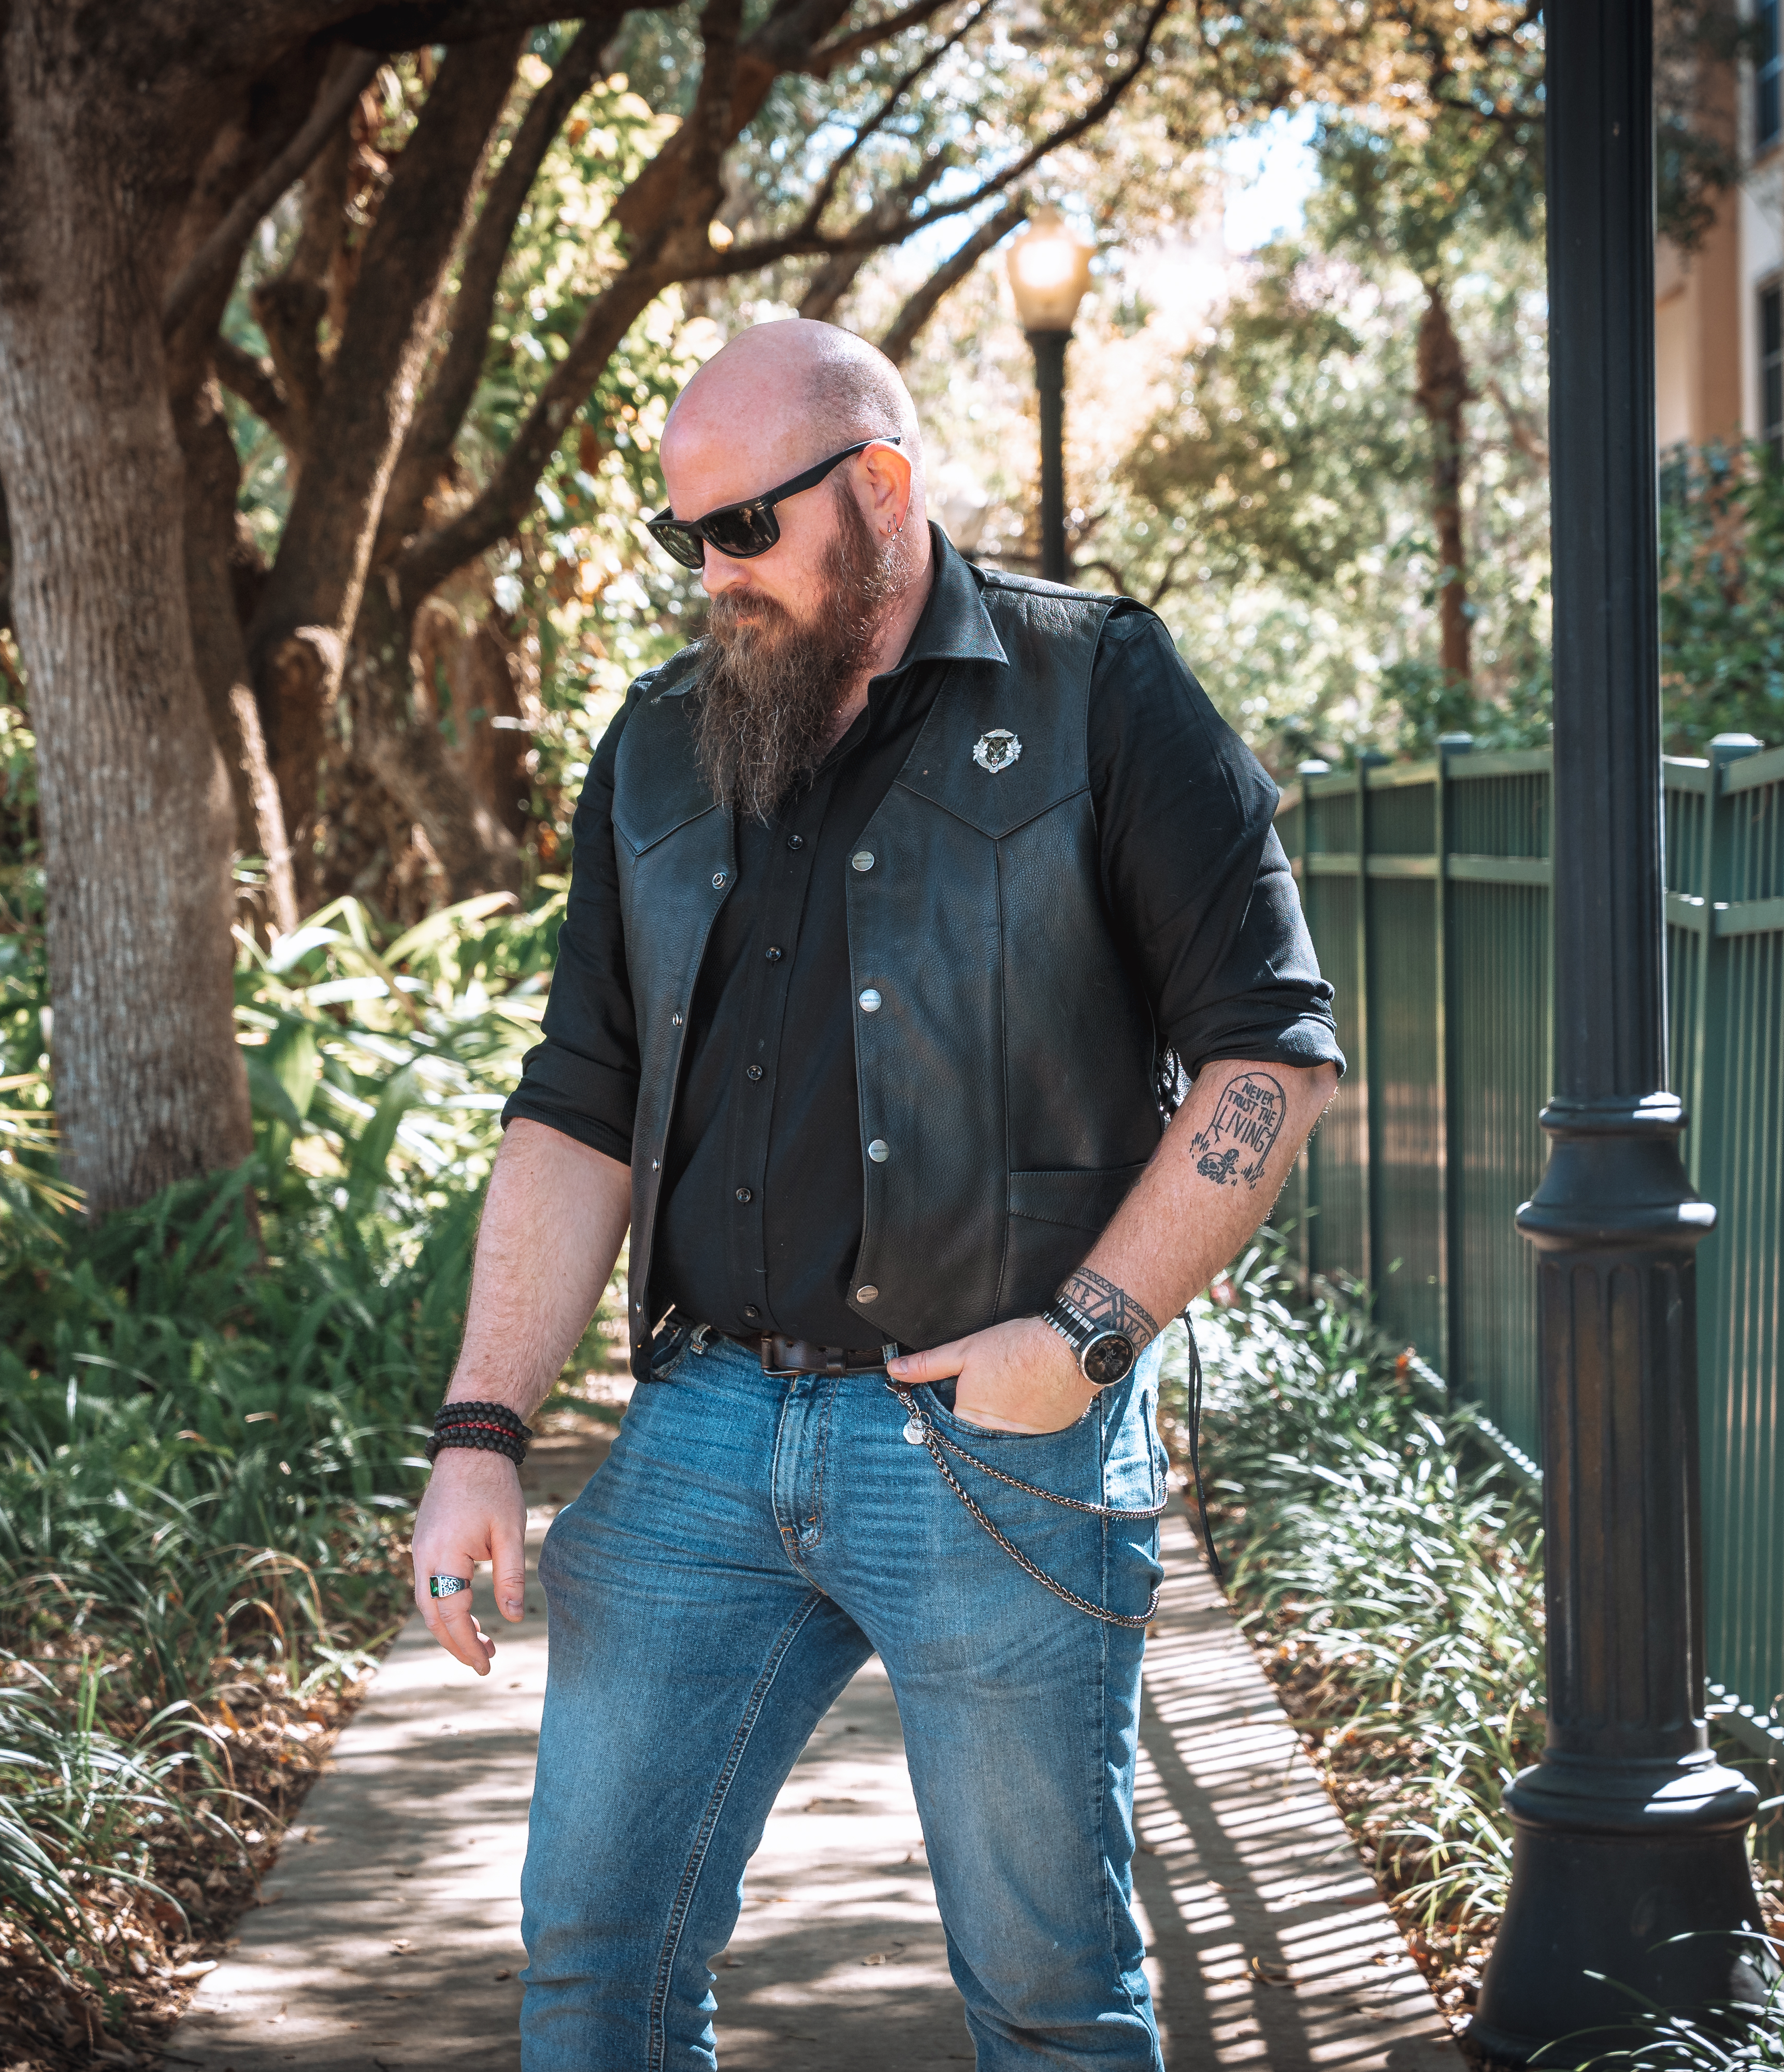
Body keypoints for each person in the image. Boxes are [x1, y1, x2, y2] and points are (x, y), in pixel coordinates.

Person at [408, 317, 1342, 2070]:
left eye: (746, 529)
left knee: (1053, 2005)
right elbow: (575, 1111)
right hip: (699, 1438)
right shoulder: (661, 750)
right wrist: (481, 1431)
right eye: (684, 536)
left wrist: (1079, 1339)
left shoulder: (1098, 689)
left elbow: (1267, 1061)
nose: (712, 572)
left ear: (884, 491)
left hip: (999, 1449)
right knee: (592, 1970)